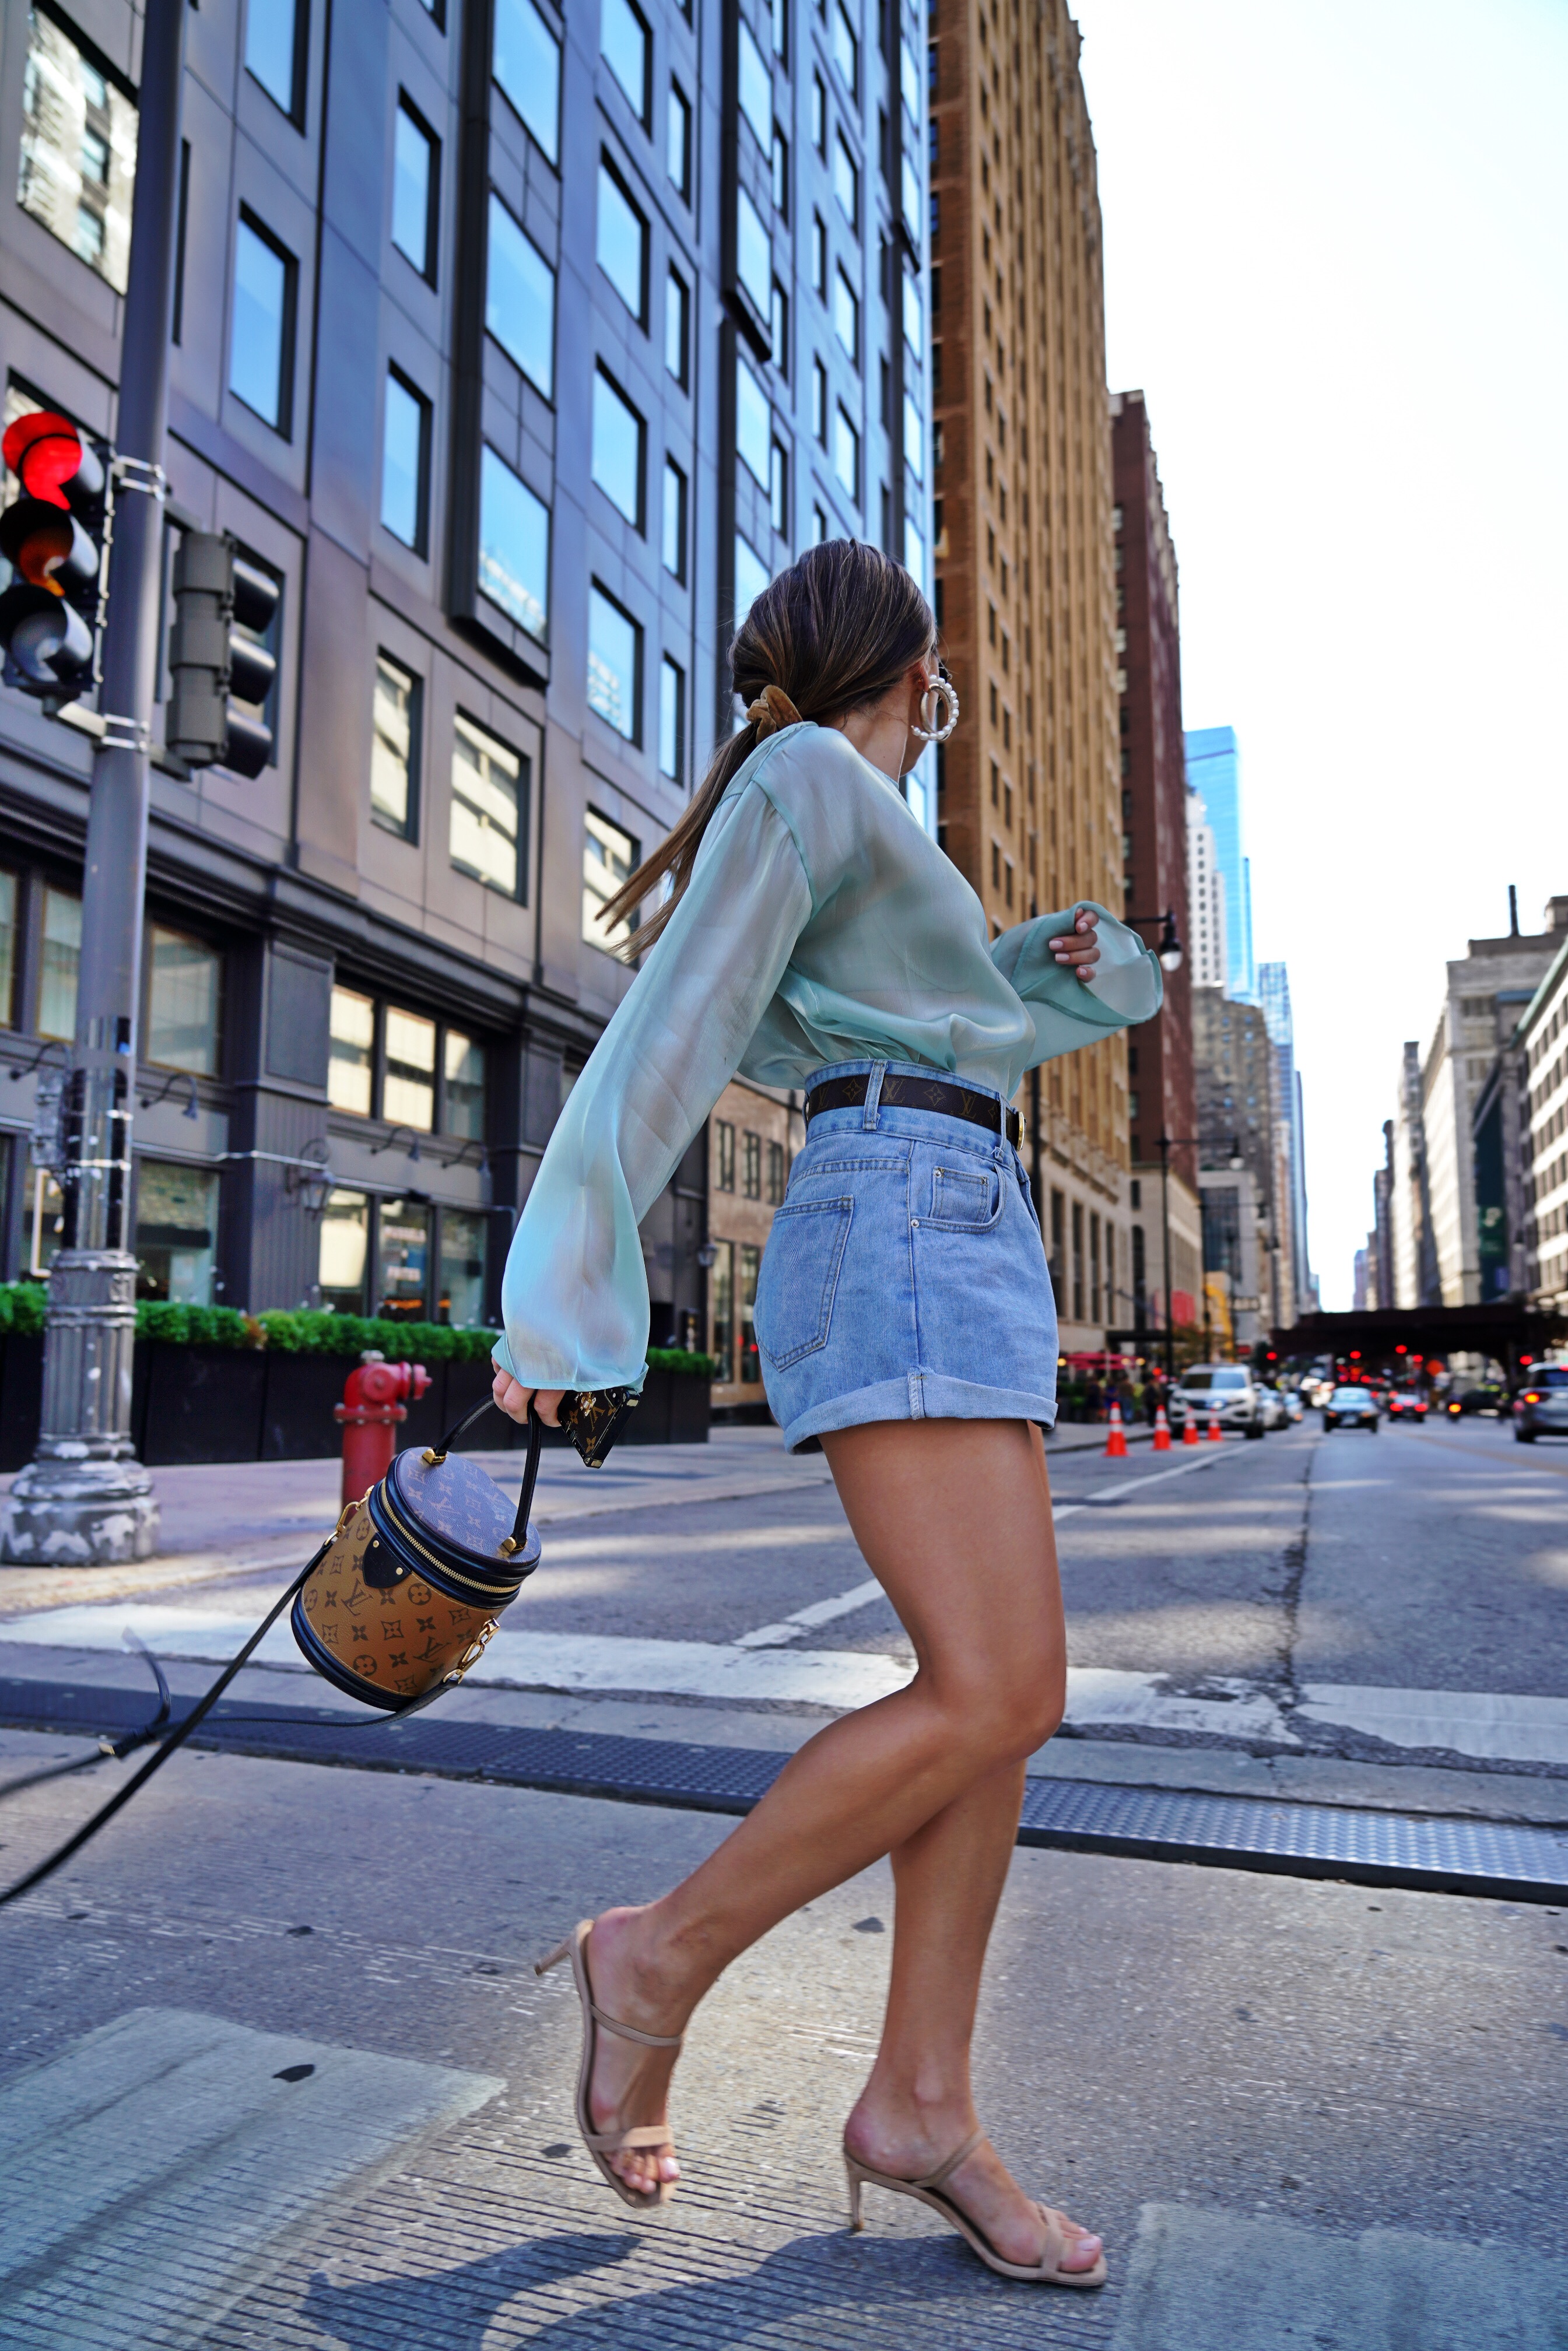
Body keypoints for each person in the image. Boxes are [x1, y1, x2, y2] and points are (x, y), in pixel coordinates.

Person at [490, 542, 1161, 2290]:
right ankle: (654, 1959)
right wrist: (567, 1297)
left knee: (996, 1713)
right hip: (901, 1217)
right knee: (1001, 1690)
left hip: (953, 1210)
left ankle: (923, 2102)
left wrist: (1051, 968)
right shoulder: (804, 777)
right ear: (908, 671)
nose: (937, 717)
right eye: (933, 691)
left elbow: (910, 1029)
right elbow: (674, 1033)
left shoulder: (849, 816)